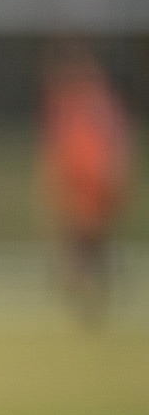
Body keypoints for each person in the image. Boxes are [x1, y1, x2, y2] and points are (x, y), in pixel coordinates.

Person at [39, 40, 130, 325]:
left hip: (94, 180)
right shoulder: (66, 103)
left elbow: (114, 143)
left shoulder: (99, 104)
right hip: (77, 179)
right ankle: (84, 286)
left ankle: (88, 287)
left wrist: (111, 173)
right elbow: (59, 143)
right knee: (79, 236)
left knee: (88, 237)